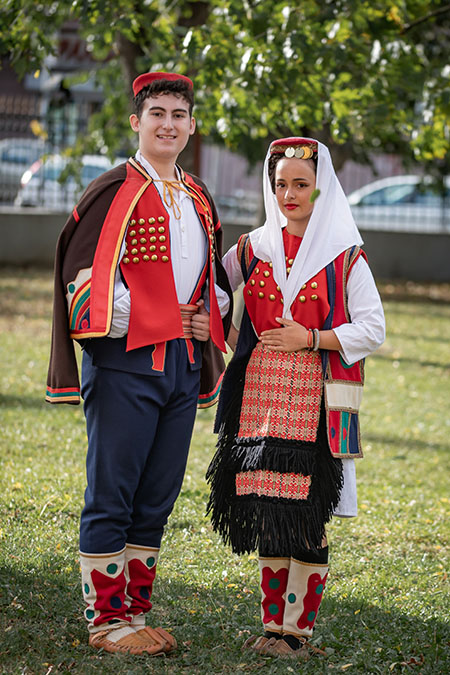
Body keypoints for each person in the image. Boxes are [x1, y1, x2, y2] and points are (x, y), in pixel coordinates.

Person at [46, 71, 232, 656]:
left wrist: (207, 318)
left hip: (181, 365)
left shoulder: (199, 196)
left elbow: (212, 283)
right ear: (136, 122)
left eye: (178, 115)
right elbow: (85, 288)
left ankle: (134, 612)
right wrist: (166, 317)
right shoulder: (112, 190)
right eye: (157, 114)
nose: (168, 124)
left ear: (192, 125)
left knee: (157, 494)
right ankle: (105, 622)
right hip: (125, 364)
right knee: (114, 490)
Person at [207, 136, 385, 660]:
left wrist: (310, 337)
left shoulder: (344, 256)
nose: (289, 194)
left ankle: (296, 635)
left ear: (320, 188)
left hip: (316, 401)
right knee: (270, 510)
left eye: (301, 184)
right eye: (281, 184)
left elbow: (372, 328)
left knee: (306, 514)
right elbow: (212, 291)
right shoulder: (253, 248)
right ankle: (272, 629)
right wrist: (227, 336)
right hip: (259, 399)